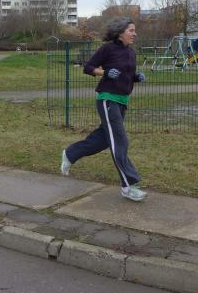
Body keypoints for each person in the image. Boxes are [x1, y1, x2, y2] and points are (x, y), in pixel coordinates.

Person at [60, 17, 148, 202]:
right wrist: (104, 72)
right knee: (120, 140)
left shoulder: (131, 52)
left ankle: (70, 153)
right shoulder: (107, 48)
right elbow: (88, 67)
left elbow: (126, 75)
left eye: (134, 30)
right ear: (120, 32)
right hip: (107, 99)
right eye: (131, 30)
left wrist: (136, 77)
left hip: (122, 101)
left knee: (102, 140)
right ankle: (128, 186)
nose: (135, 34)